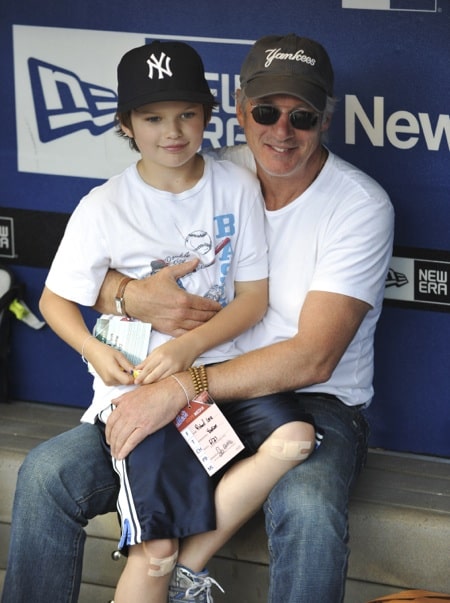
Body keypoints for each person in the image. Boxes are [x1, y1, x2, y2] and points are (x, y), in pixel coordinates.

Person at [1, 33, 394, 603]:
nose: (281, 132)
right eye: (266, 111)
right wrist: (133, 297)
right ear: (238, 111)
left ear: (326, 119)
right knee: (45, 474)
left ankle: (182, 569)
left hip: (311, 398)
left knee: (307, 505)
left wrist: (183, 383)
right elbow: (85, 281)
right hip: (185, 384)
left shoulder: (357, 204)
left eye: (302, 117)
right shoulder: (209, 170)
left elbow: (313, 357)